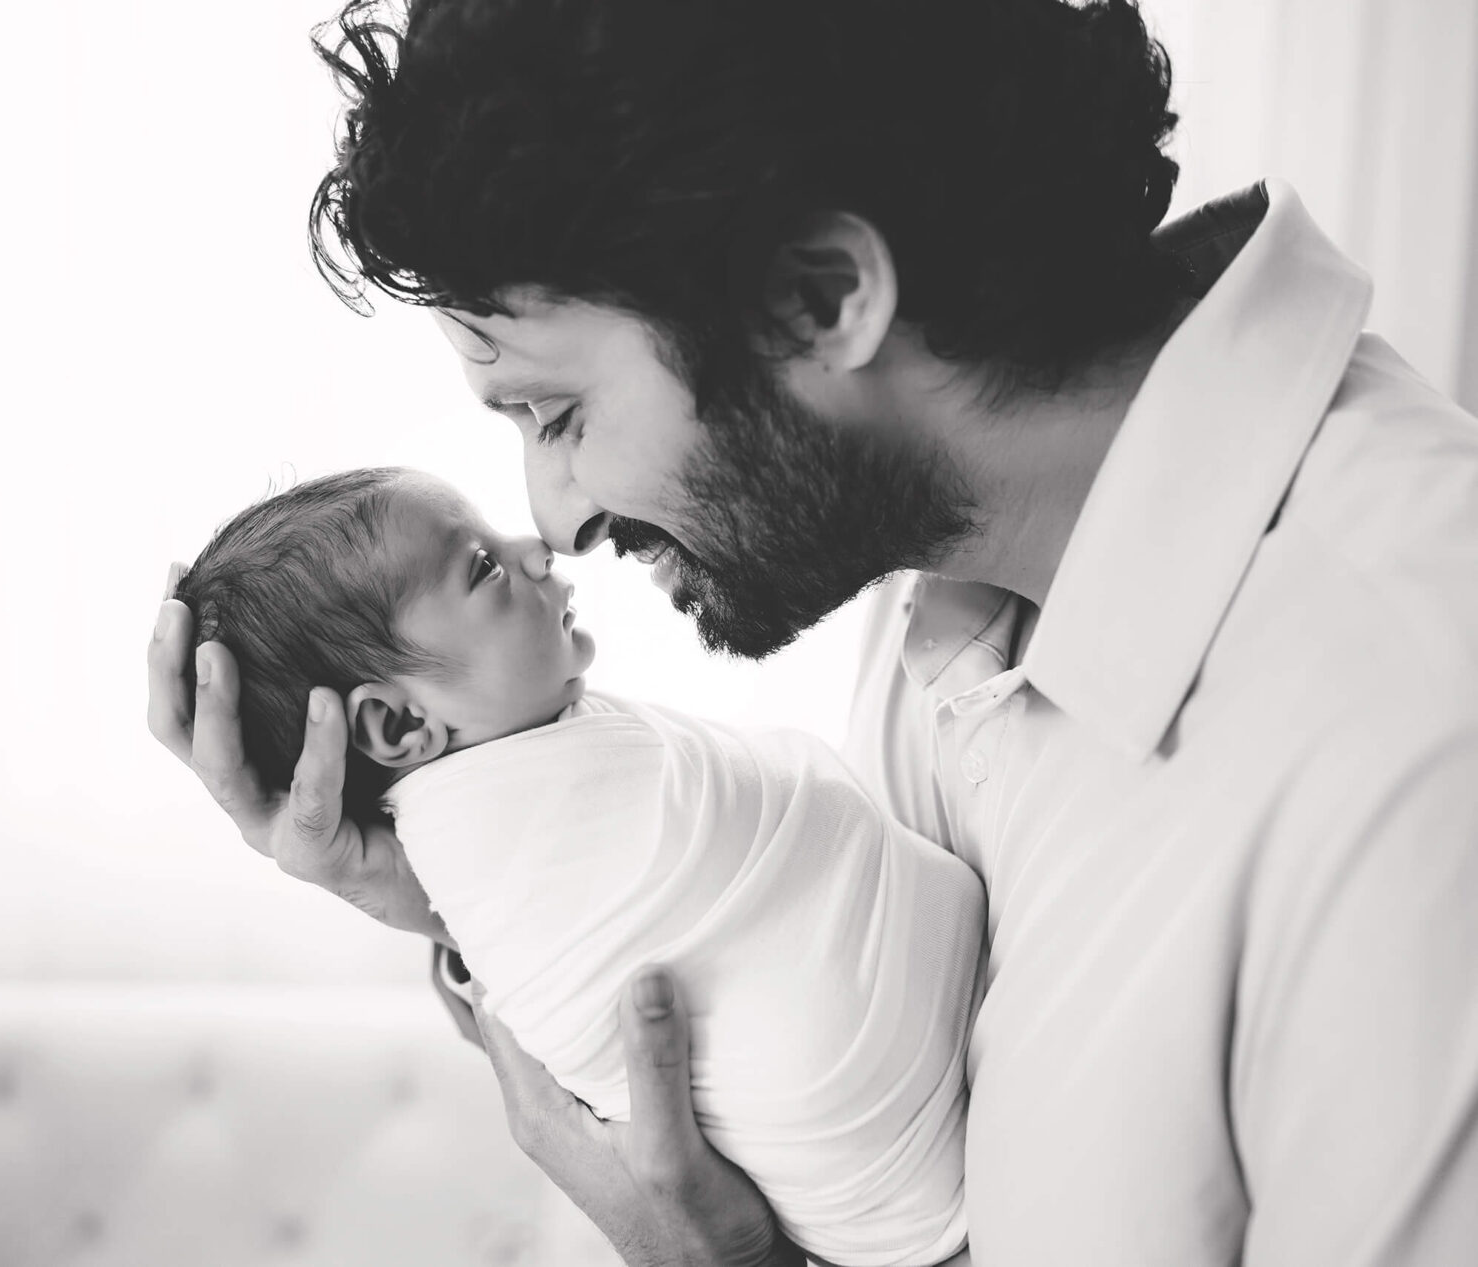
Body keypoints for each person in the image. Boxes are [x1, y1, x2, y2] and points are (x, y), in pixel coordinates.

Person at [147, 0, 1478, 1262]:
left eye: (556, 414)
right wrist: (437, 870)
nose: (550, 518)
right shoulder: (946, 566)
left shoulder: (1416, 752)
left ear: (827, 295)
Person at [173, 465, 985, 1264]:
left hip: (917, 1152)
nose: (537, 546)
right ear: (394, 722)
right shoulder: (494, 845)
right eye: (482, 566)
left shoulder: (518, 806)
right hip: (897, 1150)